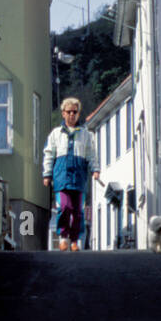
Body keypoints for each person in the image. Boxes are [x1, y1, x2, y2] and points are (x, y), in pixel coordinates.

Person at [42, 98, 100, 251]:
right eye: (69, 112)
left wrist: (95, 170)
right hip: (61, 178)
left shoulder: (85, 134)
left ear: (78, 113)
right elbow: (49, 154)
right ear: (63, 113)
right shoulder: (56, 134)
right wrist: (47, 174)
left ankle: (75, 240)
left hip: (79, 178)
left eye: (75, 112)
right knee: (65, 207)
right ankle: (63, 237)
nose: (72, 115)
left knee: (78, 211)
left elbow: (91, 154)